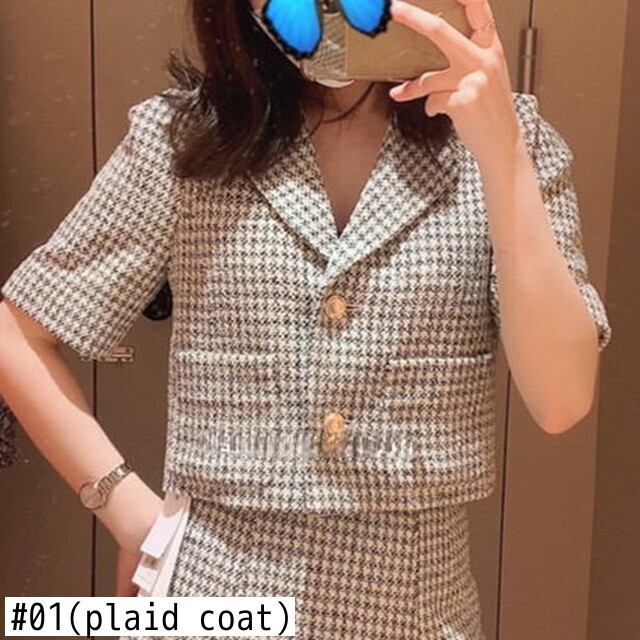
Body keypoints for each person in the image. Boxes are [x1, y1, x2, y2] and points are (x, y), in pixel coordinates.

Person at [0, 1, 612, 639]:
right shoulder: (186, 136)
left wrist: (503, 155)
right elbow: (20, 331)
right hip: (215, 600)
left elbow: (562, 398)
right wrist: (130, 514)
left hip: (417, 615)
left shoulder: (510, 141)